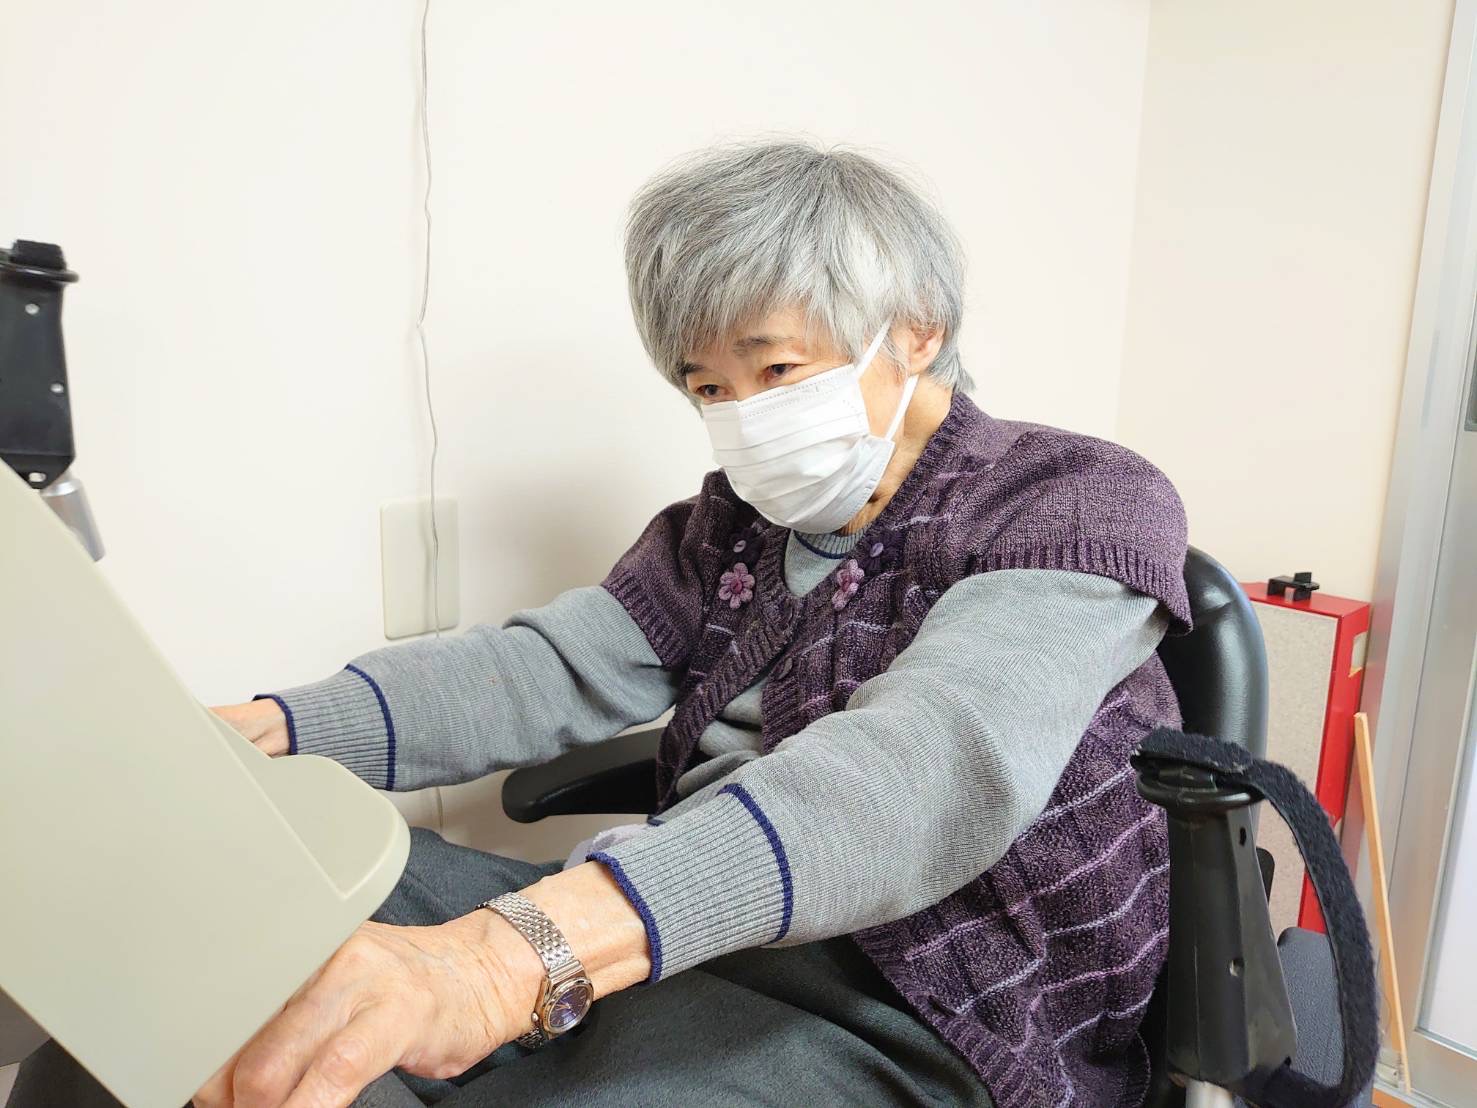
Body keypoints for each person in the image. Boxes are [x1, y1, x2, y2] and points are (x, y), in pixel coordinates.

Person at [9, 139, 1190, 1108]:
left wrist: (506, 954)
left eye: (774, 368)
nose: (739, 415)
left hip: (921, 1002)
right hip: (680, 930)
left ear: (915, 329)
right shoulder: (725, 530)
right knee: (207, 974)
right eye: (707, 386)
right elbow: (544, 669)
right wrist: (258, 733)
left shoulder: (1075, 500)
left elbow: (922, 767)